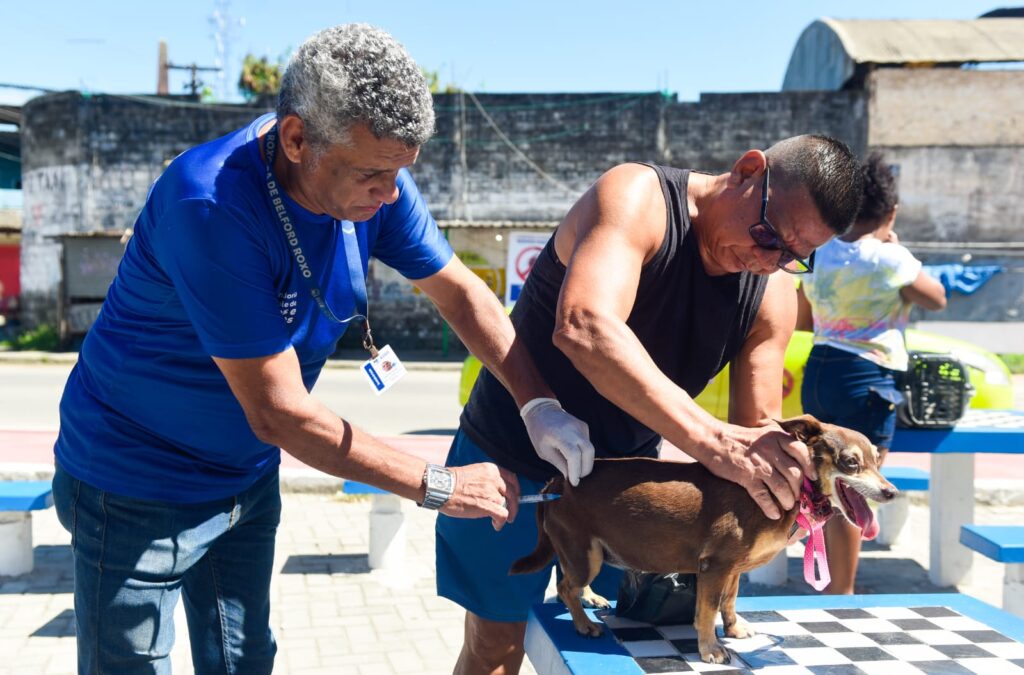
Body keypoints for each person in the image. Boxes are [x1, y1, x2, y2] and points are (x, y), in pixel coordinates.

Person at [51, 24, 591, 674]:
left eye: (400, 173)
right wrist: (442, 484)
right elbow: (278, 412)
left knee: (245, 660)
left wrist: (538, 402)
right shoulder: (213, 205)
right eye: (373, 173)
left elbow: (462, 295)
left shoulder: (374, 180)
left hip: (243, 479)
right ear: (296, 138)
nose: (391, 194)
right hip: (132, 479)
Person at [436, 135, 865, 674]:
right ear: (748, 172)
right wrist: (708, 440)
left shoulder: (770, 289)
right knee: (499, 643)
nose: (767, 260)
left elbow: (757, 427)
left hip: (629, 486)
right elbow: (586, 327)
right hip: (510, 451)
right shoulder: (638, 197)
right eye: (766, 235)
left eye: (793, 256)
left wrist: (794, 483)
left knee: (627, 651)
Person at [797, 152, 946, 594]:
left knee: (823, 478)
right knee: (857, 487)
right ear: (891, 212)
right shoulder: (889, 257)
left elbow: (804, 318)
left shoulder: (820, 254)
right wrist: (895, 248)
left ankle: (820, 574)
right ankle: (841, 596)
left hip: (821, 370)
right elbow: (936, 298)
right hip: (868, 379)